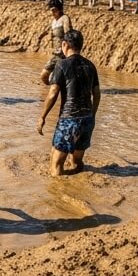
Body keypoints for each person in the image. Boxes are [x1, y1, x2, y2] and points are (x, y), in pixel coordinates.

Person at [37, 29, 100, 175]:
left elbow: (53, 93)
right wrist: (92, 115)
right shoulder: (90, 65)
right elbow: (97, 93)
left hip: (69, 120)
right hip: (87, 119)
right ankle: (78, 183)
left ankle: (60, 189)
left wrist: (42, 117)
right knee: (76, 162)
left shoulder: (62, 64)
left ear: (64, 44)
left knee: (56, 165)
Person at [39, 0, 73, 86]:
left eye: (54, 10)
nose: (52, 13)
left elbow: (68, 33)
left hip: (63, 53)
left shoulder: (64, 18)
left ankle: (54, 89)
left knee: (44, 75)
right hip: (56, 52)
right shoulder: (54, 21)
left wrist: (67, 50)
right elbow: (49, 30)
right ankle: (55, 88)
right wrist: (41, 36)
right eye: (51, 11)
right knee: (54, 76)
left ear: (60, 9)